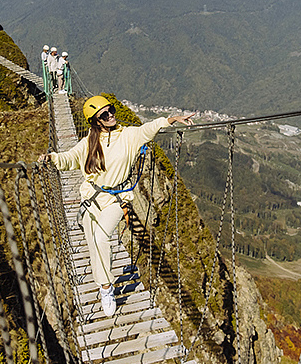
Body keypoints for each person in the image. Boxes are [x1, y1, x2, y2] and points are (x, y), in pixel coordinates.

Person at [38, 96, 193, 317]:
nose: (111, 115)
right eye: (104, 114)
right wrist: (51, 158)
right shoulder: (89, 142)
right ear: (96, 121)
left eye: (111, 110)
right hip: (91, 197)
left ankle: (106, 288)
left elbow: (147, 129)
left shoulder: (128, 136)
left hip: (117, 199)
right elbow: (69, 158)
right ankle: (103, 282)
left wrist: (170, 120)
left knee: (101, 237)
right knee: (93, 243)